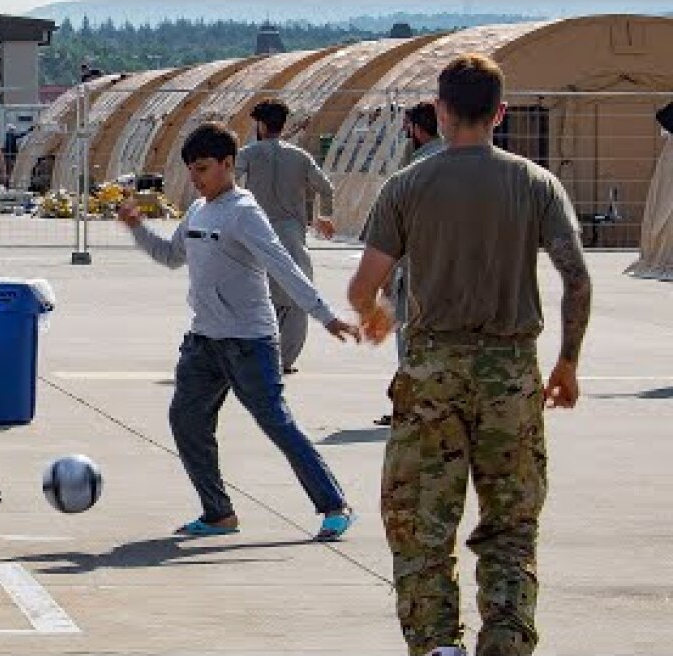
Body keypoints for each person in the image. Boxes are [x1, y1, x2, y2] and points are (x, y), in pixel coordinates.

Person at [348, 55, 591, 656]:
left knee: (421, 527)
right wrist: (567, 362)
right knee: (510, 526)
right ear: (500, 114)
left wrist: (377, 312)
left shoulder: (406, 186)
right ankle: (506, 641)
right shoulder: (536, 184)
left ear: (440, 111)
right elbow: (576, 279)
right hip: (511, 372)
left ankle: (436, 645)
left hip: (432, 372)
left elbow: (365, 285)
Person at [119, 121, 359, 541]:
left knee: (275, 423)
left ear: (229, 165)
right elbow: (173, 256)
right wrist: (138, 229)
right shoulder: (197, 210)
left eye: (204, 169)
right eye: (192, 170)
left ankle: (334, 505)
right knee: (186, 420)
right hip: (204, 342)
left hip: (249, 343)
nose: (196, 178)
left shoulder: (244, 213)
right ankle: (218, 514)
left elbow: (283, 265)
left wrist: (325, 315)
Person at [235, 100, 336, 375]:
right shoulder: (301, 157)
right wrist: (325, 216)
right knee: (296, 298)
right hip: (291, 235)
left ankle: (252, 357)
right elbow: (326, 188)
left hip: (256, 232)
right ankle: (284, 360)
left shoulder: (247, 154)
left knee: (254, 297)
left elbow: (228, 180)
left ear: (261, 125)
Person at [373, 100, 444, 427]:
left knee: (412, 344)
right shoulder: (464, 165)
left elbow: (393, 234)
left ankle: (413, 407)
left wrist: (385, 279)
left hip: (415, 275)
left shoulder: (410, 174)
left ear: (416, 130)